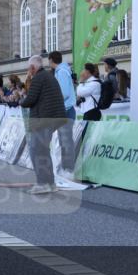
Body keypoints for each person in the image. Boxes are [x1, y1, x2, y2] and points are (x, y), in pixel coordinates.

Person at [20, 55, 71, 194]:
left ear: (32, 67)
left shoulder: (38, 78)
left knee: (36, 150)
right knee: (42, 150)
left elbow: (30, 100)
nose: (28, 71)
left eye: (28, 68)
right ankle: (50, 183)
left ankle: (43, 183)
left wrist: (21, 100)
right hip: (53, 117)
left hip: (45, 118)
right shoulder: (47, 75)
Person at [48, 51, 76, 179]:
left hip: (65, 109)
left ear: (51, 60)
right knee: (64, 141)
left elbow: (64, 93)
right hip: (64, 109)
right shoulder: (62, 71)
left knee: (66, 141)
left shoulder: (62, 72)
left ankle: (69, 170)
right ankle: (66, 169)